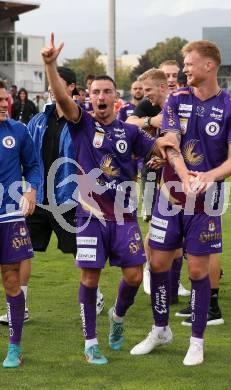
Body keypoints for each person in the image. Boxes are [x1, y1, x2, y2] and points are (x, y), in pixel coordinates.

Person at [41, 33, 176, 365]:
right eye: (95, 92)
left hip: (124, 216)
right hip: (89, 216)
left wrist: (168, 151)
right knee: (90, 277)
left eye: (106, 92)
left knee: (132, 276)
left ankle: (117, 317)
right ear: (89, 97)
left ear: (117, 98)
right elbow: (61, 97)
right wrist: (50, 64)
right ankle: (90, 343)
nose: (100, 96)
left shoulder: (130, 132)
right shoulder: (81, 122)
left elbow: (156, 150)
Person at [131, 40, 231, 366]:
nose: (183, 70)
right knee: (157, 265)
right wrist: (184, 175)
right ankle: (160, 329)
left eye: (189, 64)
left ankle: (196, 341)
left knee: (198, 270)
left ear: (209, 66)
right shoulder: (176, 100)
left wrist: (208, 176)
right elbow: (169, 144)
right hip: (169, 197)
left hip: (206, 202)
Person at [0, 67, 104, 326]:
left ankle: (96, 294)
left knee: (77, 250)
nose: (50, 88)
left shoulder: (81, 121)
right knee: (20, 252)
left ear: (71, 88)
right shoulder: (37, 120)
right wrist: (29, 189)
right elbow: (31, 160)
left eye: (56, 83)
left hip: (69, 196)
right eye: (49, 83)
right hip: (37, 198)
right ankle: (19, 307)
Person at [127, 60, 190, 301]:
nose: (173, 78)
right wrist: (151, 121)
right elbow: (129, 123)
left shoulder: (185, 101)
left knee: (178, 232)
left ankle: (173, 284)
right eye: (169, 74)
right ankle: (149, 270)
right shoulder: (149, 104)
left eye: (176, 74)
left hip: (173, 170)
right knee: (157, 225)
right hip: (155, 173)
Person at [0, 80, 39, 368]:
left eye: (5, 99)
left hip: (9, 215)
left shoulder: (18, 130)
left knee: (11, 279)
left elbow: (34, 165)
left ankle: (14, 348)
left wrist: (31, 189)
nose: (4, 104)